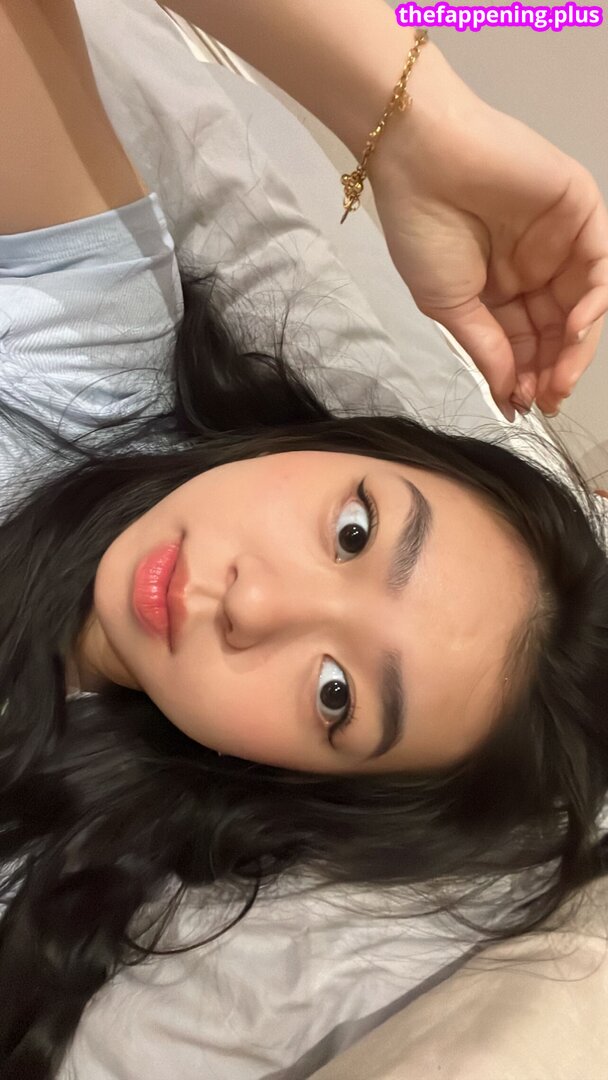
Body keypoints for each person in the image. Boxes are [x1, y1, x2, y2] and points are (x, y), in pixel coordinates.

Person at [0, 1, 607, 1077]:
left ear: (292, 779)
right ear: (340, 443)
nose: (253, 603)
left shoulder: (48, 883)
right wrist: (414, 121)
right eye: (354, 529)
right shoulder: (96, 348)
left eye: (334, 696)